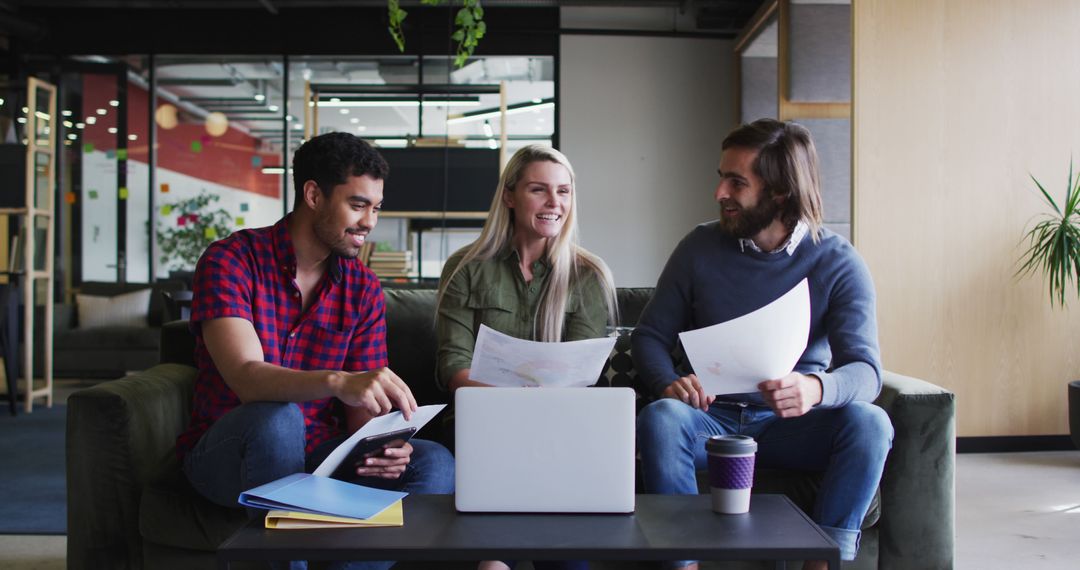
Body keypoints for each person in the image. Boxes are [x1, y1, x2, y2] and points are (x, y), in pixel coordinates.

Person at [177, 132, 455, 570]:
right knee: (278, 417)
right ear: (312, 194)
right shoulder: (231, 260)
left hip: (322, 456)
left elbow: (360, 414)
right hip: (235, 452)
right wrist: (338, 382)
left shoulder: (362, 288)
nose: (370, 221)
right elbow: (247, 378)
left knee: (433, 462)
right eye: (358, 204)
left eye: (376, 208)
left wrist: (383, 446)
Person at [633, 119, 893, 570]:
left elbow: (866, 372)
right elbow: (650, 337)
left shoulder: (838, 261)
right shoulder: (698, 248)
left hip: (794, 424)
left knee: (870, 424)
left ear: (780, 193)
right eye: (721, 177)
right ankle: (682, 563)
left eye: (737, 182)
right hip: (707, 420)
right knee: (661, 418)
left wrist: (815, 390)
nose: (720, 193)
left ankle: (821, 561)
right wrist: (670, 382)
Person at [435, 144, 617, 570]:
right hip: (481, 423)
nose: (555, 203)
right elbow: (453, 366)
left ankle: (495, 559)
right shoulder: (465, 268)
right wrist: (512, 404)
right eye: (540, 190)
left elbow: (580, 375)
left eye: (564, 192)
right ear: (510, 196)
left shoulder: (589, 275)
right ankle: (495, 558)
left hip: (558, 426)